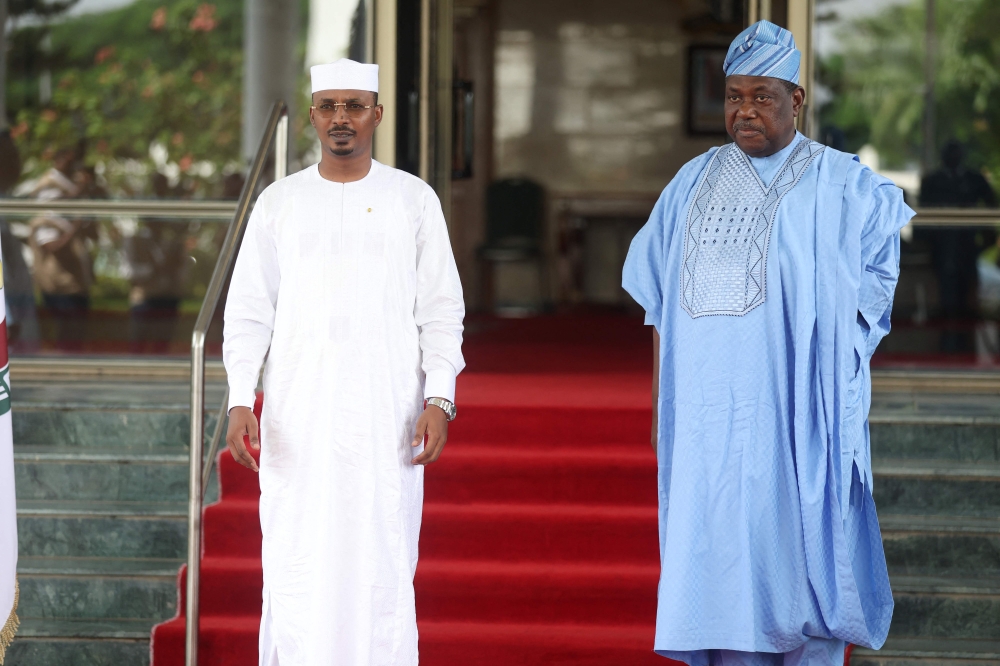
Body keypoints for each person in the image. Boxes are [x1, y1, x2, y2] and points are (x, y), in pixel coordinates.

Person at [622, 21, 912, 666]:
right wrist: (660, 403)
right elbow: (658, 308)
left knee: (799, 555)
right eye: (733, 96)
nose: (745, 111)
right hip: (706, 422)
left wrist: (834, 360)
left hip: (796, 416)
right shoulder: (689, 185)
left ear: (796, 101)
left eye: (762, 96)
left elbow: (877, 282)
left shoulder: (844, 184)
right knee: (721, 561)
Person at [223, 59, 465, 665]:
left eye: (354, 106)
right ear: (311, 116)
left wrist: (439, 398)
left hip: (386, 416)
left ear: (377, 115)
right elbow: (248, 311)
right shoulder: (280, 202)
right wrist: (236, 398)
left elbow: (441, 309)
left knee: (381, 559)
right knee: (295, 560)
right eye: (328, 106)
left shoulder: (412, 199)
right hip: (296, 419)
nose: (341, 119)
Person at [918, 140, 997, 353]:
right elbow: (922, 220)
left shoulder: (974, 180)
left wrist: (983, 242)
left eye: (956, 152)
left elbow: (991, 209)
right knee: (944, 304)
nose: (953, 157)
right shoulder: (932, 182)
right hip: (942, 254)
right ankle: (945, 350)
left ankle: (966, 350)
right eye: (949, 152)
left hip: (968, 253)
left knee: (969, 305)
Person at [28, 150, 97, 351]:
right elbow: (51, 247)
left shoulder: (66, 218)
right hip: (58, 287)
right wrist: (74, 229)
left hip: (74, 286)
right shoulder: (46, 219)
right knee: (66, 335)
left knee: (76, 337)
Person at [125, 173, 189, 354]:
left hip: (168, 297)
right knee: (138, 344)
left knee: (163, 345)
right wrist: (154, 270)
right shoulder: (135, 240)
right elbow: (129, 271)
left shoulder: (172, 242)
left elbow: (182, 269)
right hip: (144, 298)